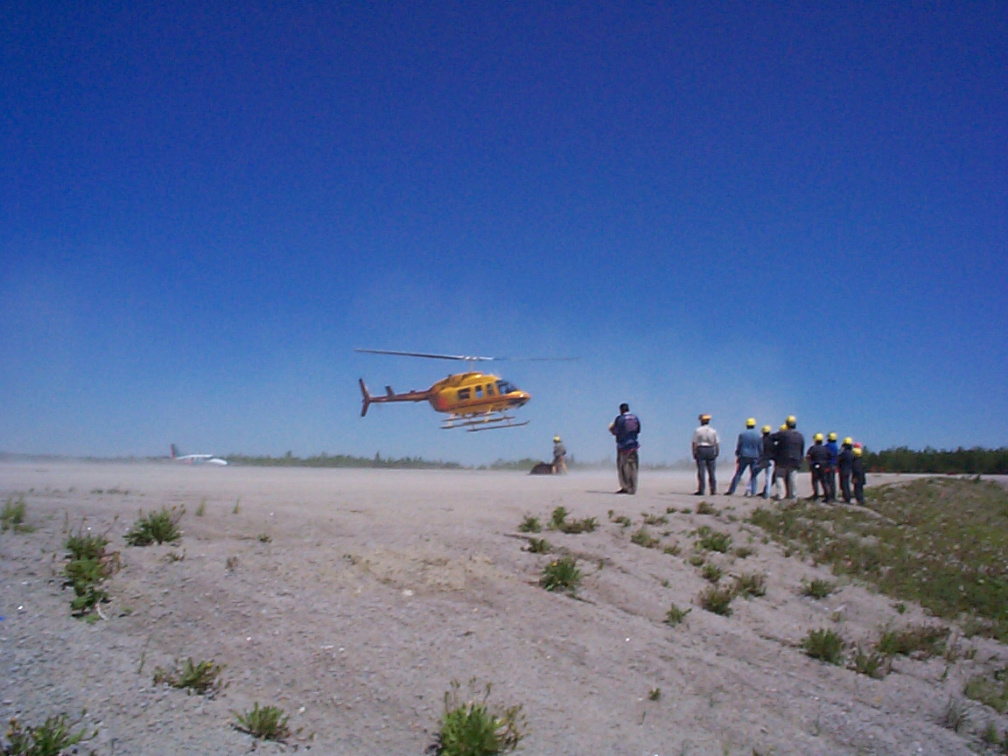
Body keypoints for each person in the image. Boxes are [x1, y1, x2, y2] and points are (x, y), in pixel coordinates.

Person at [610, 403, 640, 494]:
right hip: (634, 445)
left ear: (621, 410)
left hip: (623, 446)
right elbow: (638, 430)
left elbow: (616, 431)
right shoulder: (635, 418)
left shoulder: (620, 419)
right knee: (633, 467)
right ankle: (633, 487)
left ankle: (625, 487)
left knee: (623, 467)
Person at [726, 418, 762, 496]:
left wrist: (737, 453)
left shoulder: (742, 434)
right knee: (753, 475)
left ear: (746, 425)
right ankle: (753, 492)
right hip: (755, 456)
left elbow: (739, 445)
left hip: (744, 456)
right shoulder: (758, 435)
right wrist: (760, 456)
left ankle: (731, 490)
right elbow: (760, 447)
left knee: (738, 474)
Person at [773, 415, 804, 500]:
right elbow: (801, 449)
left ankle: (781, 495)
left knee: (779, 476)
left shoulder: (783, 434)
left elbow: (771, 438)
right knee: (793, 479)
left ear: (786, 424)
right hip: (795, 460)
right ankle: (793, 496)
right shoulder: (800, 436)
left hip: (782, 460)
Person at [692, 414, 720, 496]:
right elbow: (716, 443)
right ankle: (713, 490)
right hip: (711, 449)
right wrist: (717, 452)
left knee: (701, 471)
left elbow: (694, 442)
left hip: (701, 449)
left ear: (701, 421)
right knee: (712, 471)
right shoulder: (713, 431)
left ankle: (701, 489)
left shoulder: (698, 430)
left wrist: (694, 452)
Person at [806, 433, 830, 502]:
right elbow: (829, 456)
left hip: (815, 465)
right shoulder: (825, 448)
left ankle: (816, 496)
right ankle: (827, 496)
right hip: (824, 466)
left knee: (815, 481)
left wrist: (809, 464)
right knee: (824, 481)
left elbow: (808, 456)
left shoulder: (813, 448)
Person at [753, 425, 775, 498]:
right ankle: (767, 494)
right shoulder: (772, 442)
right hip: (770, 460)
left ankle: (750, 491)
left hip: (762, 460)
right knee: (768, 478)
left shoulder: (761, 440)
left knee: (754, 475)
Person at [837, 437, 855, 504]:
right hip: (848, 470)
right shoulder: (851, 453)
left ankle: (846, 498)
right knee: (846, 484)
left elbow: (838, 458)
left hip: (843, 470)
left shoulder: (844, 453)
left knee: (844, 485)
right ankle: (847, 497)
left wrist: (840, 450)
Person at [824, 432, 839, 502]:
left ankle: (829, 497)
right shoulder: (836, 446)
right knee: (833, 481)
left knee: (827, 481)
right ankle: (834, 496)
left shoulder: (827, 446)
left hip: (828, 465)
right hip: (834, 465)